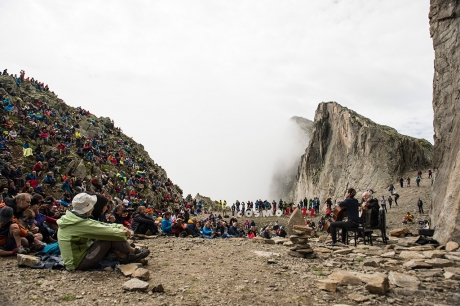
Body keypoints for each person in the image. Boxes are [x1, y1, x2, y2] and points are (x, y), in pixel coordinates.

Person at [57, 193, 150, 270]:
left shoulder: (74, 218)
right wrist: (125, 232)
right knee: (109, 236)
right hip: (77, 263)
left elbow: (101, 225)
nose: (93, 208)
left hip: (79, 257)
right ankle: (128, 255)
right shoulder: (79, 223)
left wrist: (119, 226)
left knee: (109, 234)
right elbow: (107, 230)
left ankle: (129, 254)